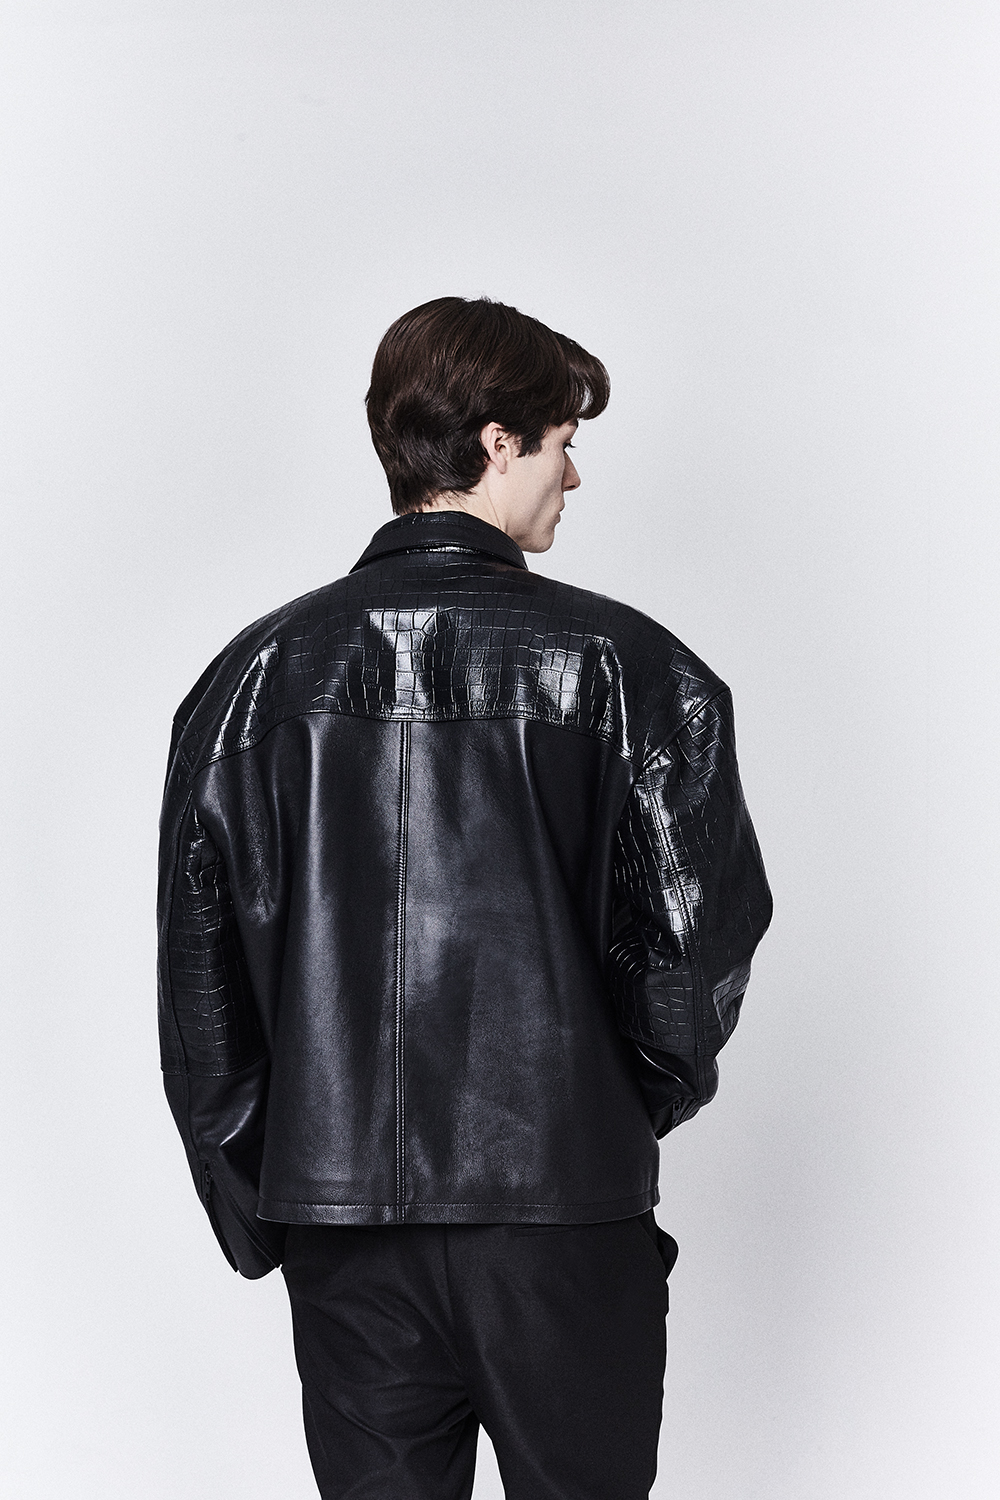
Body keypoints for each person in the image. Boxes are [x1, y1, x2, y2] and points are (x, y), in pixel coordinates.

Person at [157, 295, 772, 1499]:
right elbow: (696, 954)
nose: (572, 476)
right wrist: (597, 1114)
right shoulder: (634, 670)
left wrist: (281, 1190)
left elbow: (201, 984)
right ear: (498, 443)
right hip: (563, 1221)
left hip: (344, 1233)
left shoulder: (248, 681)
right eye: (560, 443)